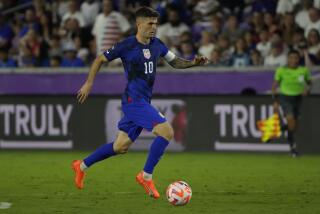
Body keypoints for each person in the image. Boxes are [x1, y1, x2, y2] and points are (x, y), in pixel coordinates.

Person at [72, 6, 208, 199]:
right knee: (167, 131)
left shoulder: (157, 44)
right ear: (139, 24)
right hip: (133, 101)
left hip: (142, 100)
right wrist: (88, 83)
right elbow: (100, 59)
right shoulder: (126, 46)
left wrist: (194, 62)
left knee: (120, 146)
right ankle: (145, 176)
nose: (153, 27)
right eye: (150, 23)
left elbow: (175, 62)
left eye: (156, 23)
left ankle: (81, 165)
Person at [271, 50, 312, 157]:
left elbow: (310, 83)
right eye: (291, 58)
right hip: (285, 98)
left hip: (298, 99)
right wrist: (275, 101)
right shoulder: (281, 70)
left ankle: (277, 131)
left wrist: (307, 90)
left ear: (299, 59)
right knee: (291, 121)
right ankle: (293, 149)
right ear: (288, 59)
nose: (294, 60)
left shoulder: (304, 70)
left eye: (296, 58)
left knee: (293, 127)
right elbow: (274, 87)